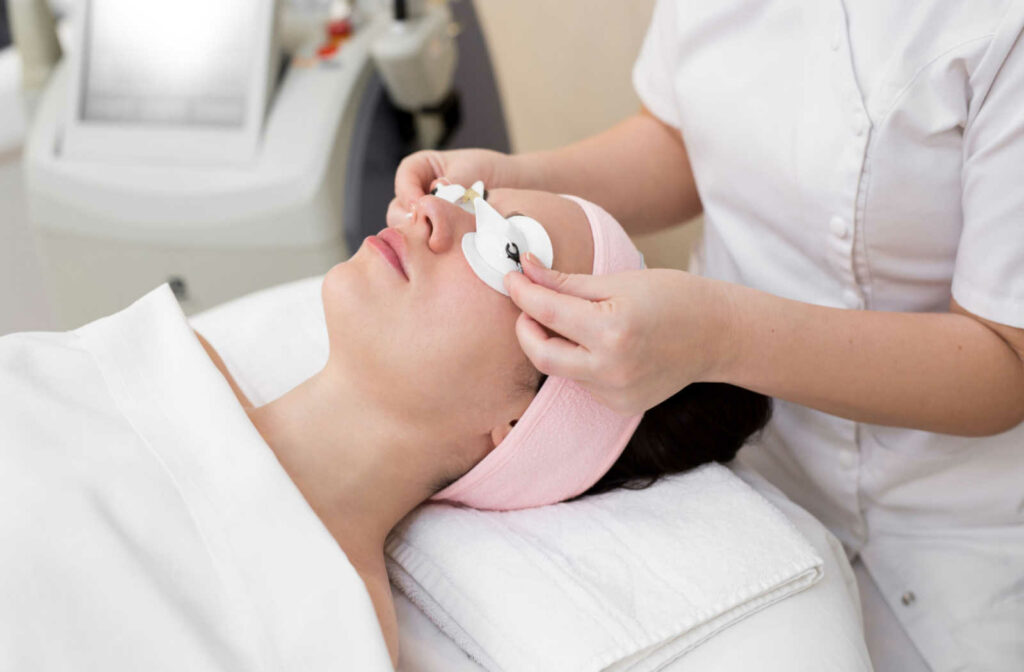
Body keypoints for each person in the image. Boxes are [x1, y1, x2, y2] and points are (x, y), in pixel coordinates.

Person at [390, 2, 1024, 668]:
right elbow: (683, 139)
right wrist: (520, 179)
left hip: (955, 517)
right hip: (744, 472)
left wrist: (723, 337)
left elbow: (1008, 361)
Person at [0, 188, 770, 670]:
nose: (427, 212)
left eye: (508, 246)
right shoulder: (138, 361)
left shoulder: (317, 632)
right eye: (468, 194)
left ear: (517, 425)